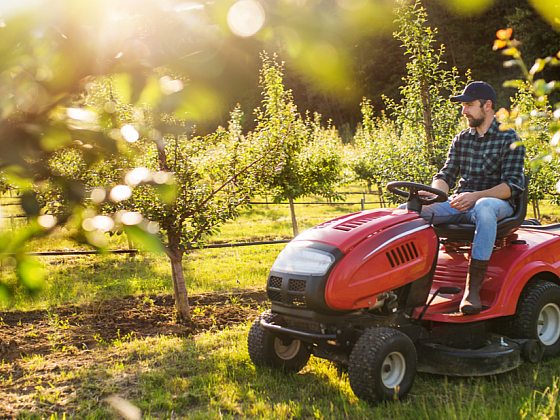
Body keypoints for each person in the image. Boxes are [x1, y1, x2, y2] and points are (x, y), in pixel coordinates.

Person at [421, 81, 525, 315]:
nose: (463, 111)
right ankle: (409, 280)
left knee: (485, 206)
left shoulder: (509, 138)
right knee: (412, 209)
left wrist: (476, 196)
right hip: (463, 201)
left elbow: (512, 185)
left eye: (468, 105)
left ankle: (473, 290)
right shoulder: (461, 139)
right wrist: (433, 193)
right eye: (463, 106)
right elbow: (446, 174)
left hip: (497, 205)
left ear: (487, 106)